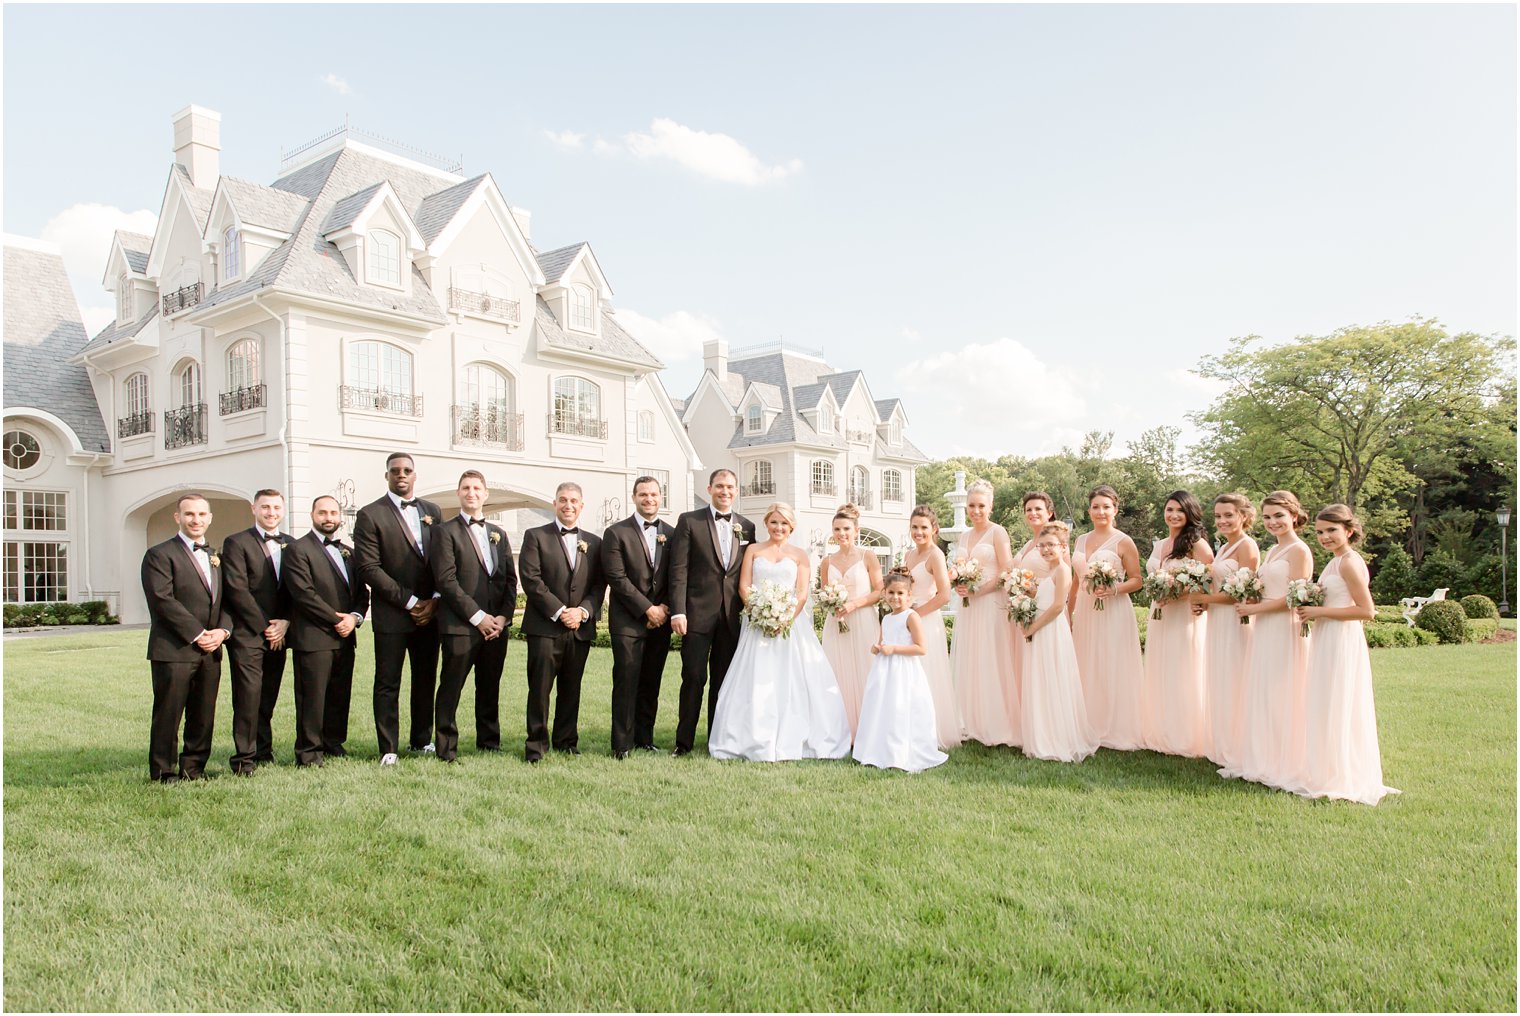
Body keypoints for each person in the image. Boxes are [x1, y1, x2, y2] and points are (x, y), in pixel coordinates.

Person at [707, 502, 850, 762]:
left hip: (790, 626)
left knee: (793, 677)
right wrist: (760, 613)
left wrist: (784, 620)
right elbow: (744, 586)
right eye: (774, 522)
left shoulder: (800, 555)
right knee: (755, 678)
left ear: (791, 527)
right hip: (757, 624)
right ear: (766, 524)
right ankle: (750, 737)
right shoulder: (753, 549)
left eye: (784, 523)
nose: (779, 527)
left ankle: (796, 735)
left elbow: (802, 593)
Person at [1293, 504, 1399, 805]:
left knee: (1337, 700)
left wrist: (1317, 610)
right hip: (1328, 635)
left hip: (1341, 639)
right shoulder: (1335, 561)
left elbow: (1367, 611)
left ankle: (1342, 775)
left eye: (1331, 531)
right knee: (1326, 701)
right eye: (1320, 532)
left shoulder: (1349, 563)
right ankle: (1328, 770)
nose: (1325, 537)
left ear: (1348, 531)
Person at [352, 452, 445, 765]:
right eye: (395, 471)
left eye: (407, 470)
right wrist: (410, 601)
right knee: (388, 682)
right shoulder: (370, 514)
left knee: (425, 679)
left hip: (430, 614)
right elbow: (369, 567)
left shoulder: (433, 511)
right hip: (393, 613)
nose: (401, 475)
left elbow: (443, 561)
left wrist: (433, 599)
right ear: (387, 476)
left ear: (415, 475)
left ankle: (421, 740)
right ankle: (388, 747)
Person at [1221, 490, 1314, 792]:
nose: (1273, 522)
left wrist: (1254, 608)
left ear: (1294, 516)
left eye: (1279, 516)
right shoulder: (1273, 550)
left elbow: (1295, 596)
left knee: (1280, 692)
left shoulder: (1299, 551)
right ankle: (1262, 757)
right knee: (1262, 690)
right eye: (1269, 516)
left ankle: (1283, 761)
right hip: (1264, 627)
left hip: (1284, 628)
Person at [141, 492, 231, 782]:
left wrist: (222, 632)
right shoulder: (159, 554)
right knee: (168, 714)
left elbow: (227, 601)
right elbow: (162, 599)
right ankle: (164, 772)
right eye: (190, 514)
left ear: (210, 518)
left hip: (211, 649)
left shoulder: (216, 555)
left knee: (203, 714)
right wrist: (197, 633)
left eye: (202, 514)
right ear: (177, 517)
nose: (196, 519)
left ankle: (194, 768)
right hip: (174, 649)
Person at [668, 469, 756, 756]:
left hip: (731, 617)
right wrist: (678, 611)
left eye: (730, 486)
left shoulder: (747, 526)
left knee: (723, 681)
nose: (725, 491)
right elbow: (678, 569)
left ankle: (717, 741)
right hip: (696, 615)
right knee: (693, 678)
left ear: (736, 490)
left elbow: (746, 573)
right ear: (709, 488)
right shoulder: (689, 521)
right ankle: (684, 742)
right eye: (720, 486)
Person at [430, 470, 517, 763]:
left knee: (490, 686)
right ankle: (445, 746)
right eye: (466, 488)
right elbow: (446, 581)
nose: (472, 493)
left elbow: (509, 581)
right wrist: (478, 617)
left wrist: (502, 618)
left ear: (485, 494)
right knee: (452, 686)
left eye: (477, 488)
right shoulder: (444, 532)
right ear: (458, 493)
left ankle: (489, 742)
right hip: (460, 625)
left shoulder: (499, 534)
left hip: (496, 627)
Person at [518, 481, 605, 762]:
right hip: (545, 627)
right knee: (540, 688)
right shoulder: (535, 536)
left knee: (572, 687)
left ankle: (567, 741)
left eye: (574, 501)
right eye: (563, 500)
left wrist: (581, 612)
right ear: (554, 504)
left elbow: (598, 585)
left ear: (581, 506)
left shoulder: (595, 542)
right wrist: (560, 611)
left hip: (579, 628)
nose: (568, 506)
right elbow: (531, 580)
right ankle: (536, 745)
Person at [282, 495, 369, 767]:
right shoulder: (298, 549)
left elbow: (361, 592)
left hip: (345, 636)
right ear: (312, 515)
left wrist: (354, 618)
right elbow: (303, 594)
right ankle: (308, 751)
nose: (328, 517)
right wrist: (336, 620)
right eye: (323, 512)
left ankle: (333, 742)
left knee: (339, 694)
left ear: (340, 516)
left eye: (333, 512)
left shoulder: (349, 552)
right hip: (313, 636)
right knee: (312, 697)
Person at [600, 475, 675, 758]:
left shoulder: (672, 532)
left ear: (661, 497)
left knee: (651, 681)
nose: (649, 499)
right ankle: (622, 743)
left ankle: (645, 737)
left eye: (654, 494)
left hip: (661, 621)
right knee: (626, 680)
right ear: (634, 497)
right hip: (628, 620)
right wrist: (647, 608)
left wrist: (665, 607)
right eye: (643, 494)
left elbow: (676, 576)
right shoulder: (616, 532)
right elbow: (616, 577)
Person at [1068, 484, 1146, 750]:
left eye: (1106, 507)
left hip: (1114, 609)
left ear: (1115, 509)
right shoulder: (1080, 540)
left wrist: (1113, 589)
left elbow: (1137, 580)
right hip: (1087, 611)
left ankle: (1117, 727)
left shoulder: (1124, 541)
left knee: (1112, 663)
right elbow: (1076, 580)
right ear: (1089, 510)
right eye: (1095, 507)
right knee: (1087, 662)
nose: (1100, 511)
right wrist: (1069, 612)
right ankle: (1089, 723)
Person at [219, 489, 291, 773]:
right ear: (254, 509)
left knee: (268, 696)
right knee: (248, 696)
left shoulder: (292, 544)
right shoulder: (236, 543)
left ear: (282, 511)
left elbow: (297, 590)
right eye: (265, 507)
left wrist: (285, 622)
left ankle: (264, 751)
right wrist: (265, 627)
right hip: (248, 634)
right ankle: (244, 758)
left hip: (281, 633)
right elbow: (237, 590)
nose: (271, 512)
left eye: (275, 507)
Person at [1140, 489, 1214, 758]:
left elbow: (1209, 579)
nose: (1173, 515)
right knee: (1160, 668)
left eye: (1179, 510)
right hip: (1159, 614)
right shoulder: (1159, 544)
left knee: (1183, 669)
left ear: (1190, 513)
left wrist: (1177, 594)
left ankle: (1186, 735)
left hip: (1184, 615)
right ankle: (1161, 731)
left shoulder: (1197, 544)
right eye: (1169, 509)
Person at [852, 567, 948, 773]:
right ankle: (879, 749)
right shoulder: (886, 618)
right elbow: (883, 641)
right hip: (884, 671)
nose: (895, 597)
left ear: (909, 595)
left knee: (899, 708)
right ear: (884, 594)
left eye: (900, 593)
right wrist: (877, 647)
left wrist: (894, 649)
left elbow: (921, 648)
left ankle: (901, 752)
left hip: (904, 672)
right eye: (891, 593)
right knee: (882, 707)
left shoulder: (911, 616)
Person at [1017, 522, 1098, 763]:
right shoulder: (1049, 572)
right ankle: (1043, 734)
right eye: (1041, 546)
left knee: (1053, 678)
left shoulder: (1063, 569)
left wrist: (1032, 627)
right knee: (1042, 679)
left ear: (1063, 547)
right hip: (1041, 628)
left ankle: (1058, 738)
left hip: (1051, 629)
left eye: (1051, 545)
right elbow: (1044, 596)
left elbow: (1057, 607)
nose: (1045, 550)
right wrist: (1024, 593)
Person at [1191, 493, 1261, 772]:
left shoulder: (1248, 547)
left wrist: (1202, 600)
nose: (1222, 520)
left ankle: (1238, 745)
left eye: (1228, 515)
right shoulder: (1222, 548)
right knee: (1219, 678)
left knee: (1235, 679)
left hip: (1235, 623)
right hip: (1218, 621)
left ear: (1244, 516)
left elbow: (1242, 594)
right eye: (1218, 516)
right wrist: (1206, 607)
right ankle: (1221, 745)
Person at [948, 479, 1020, 747]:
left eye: (981, 505)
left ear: (991, 506)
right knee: (972, 658)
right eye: (971, 506)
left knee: (992, 657)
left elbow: (1006, 570)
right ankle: (973, 719)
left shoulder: (997, 532)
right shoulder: (965, 536)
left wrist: (980, 591)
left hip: (990, 604)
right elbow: (958, 564)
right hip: (969, 606)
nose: (976, 511)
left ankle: (996, 722)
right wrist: (957, 579)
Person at [819, 503, 882, 736]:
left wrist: (854, 604)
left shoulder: (868, 556)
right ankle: (842, 730)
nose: (841, 534)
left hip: (863, 620)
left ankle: (868, 729)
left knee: (866, 671)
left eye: (846, 528)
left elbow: (880, 591)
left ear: (856, 530)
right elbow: (824, 592)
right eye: (836, 529)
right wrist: (832, 603)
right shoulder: (827, 561)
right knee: (837, 672)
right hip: (836, 623)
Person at [903, 504, 961, 749]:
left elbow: (944, 595)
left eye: (924, 527)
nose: (919, 532)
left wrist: (916, 614)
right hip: (907, 617)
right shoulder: (909, 554)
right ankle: (910, 727)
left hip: (925, 619)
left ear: (934, 529)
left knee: (927, 674)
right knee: (909, 676)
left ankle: (931, 730)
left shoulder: (936, 555)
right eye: (915, 527)